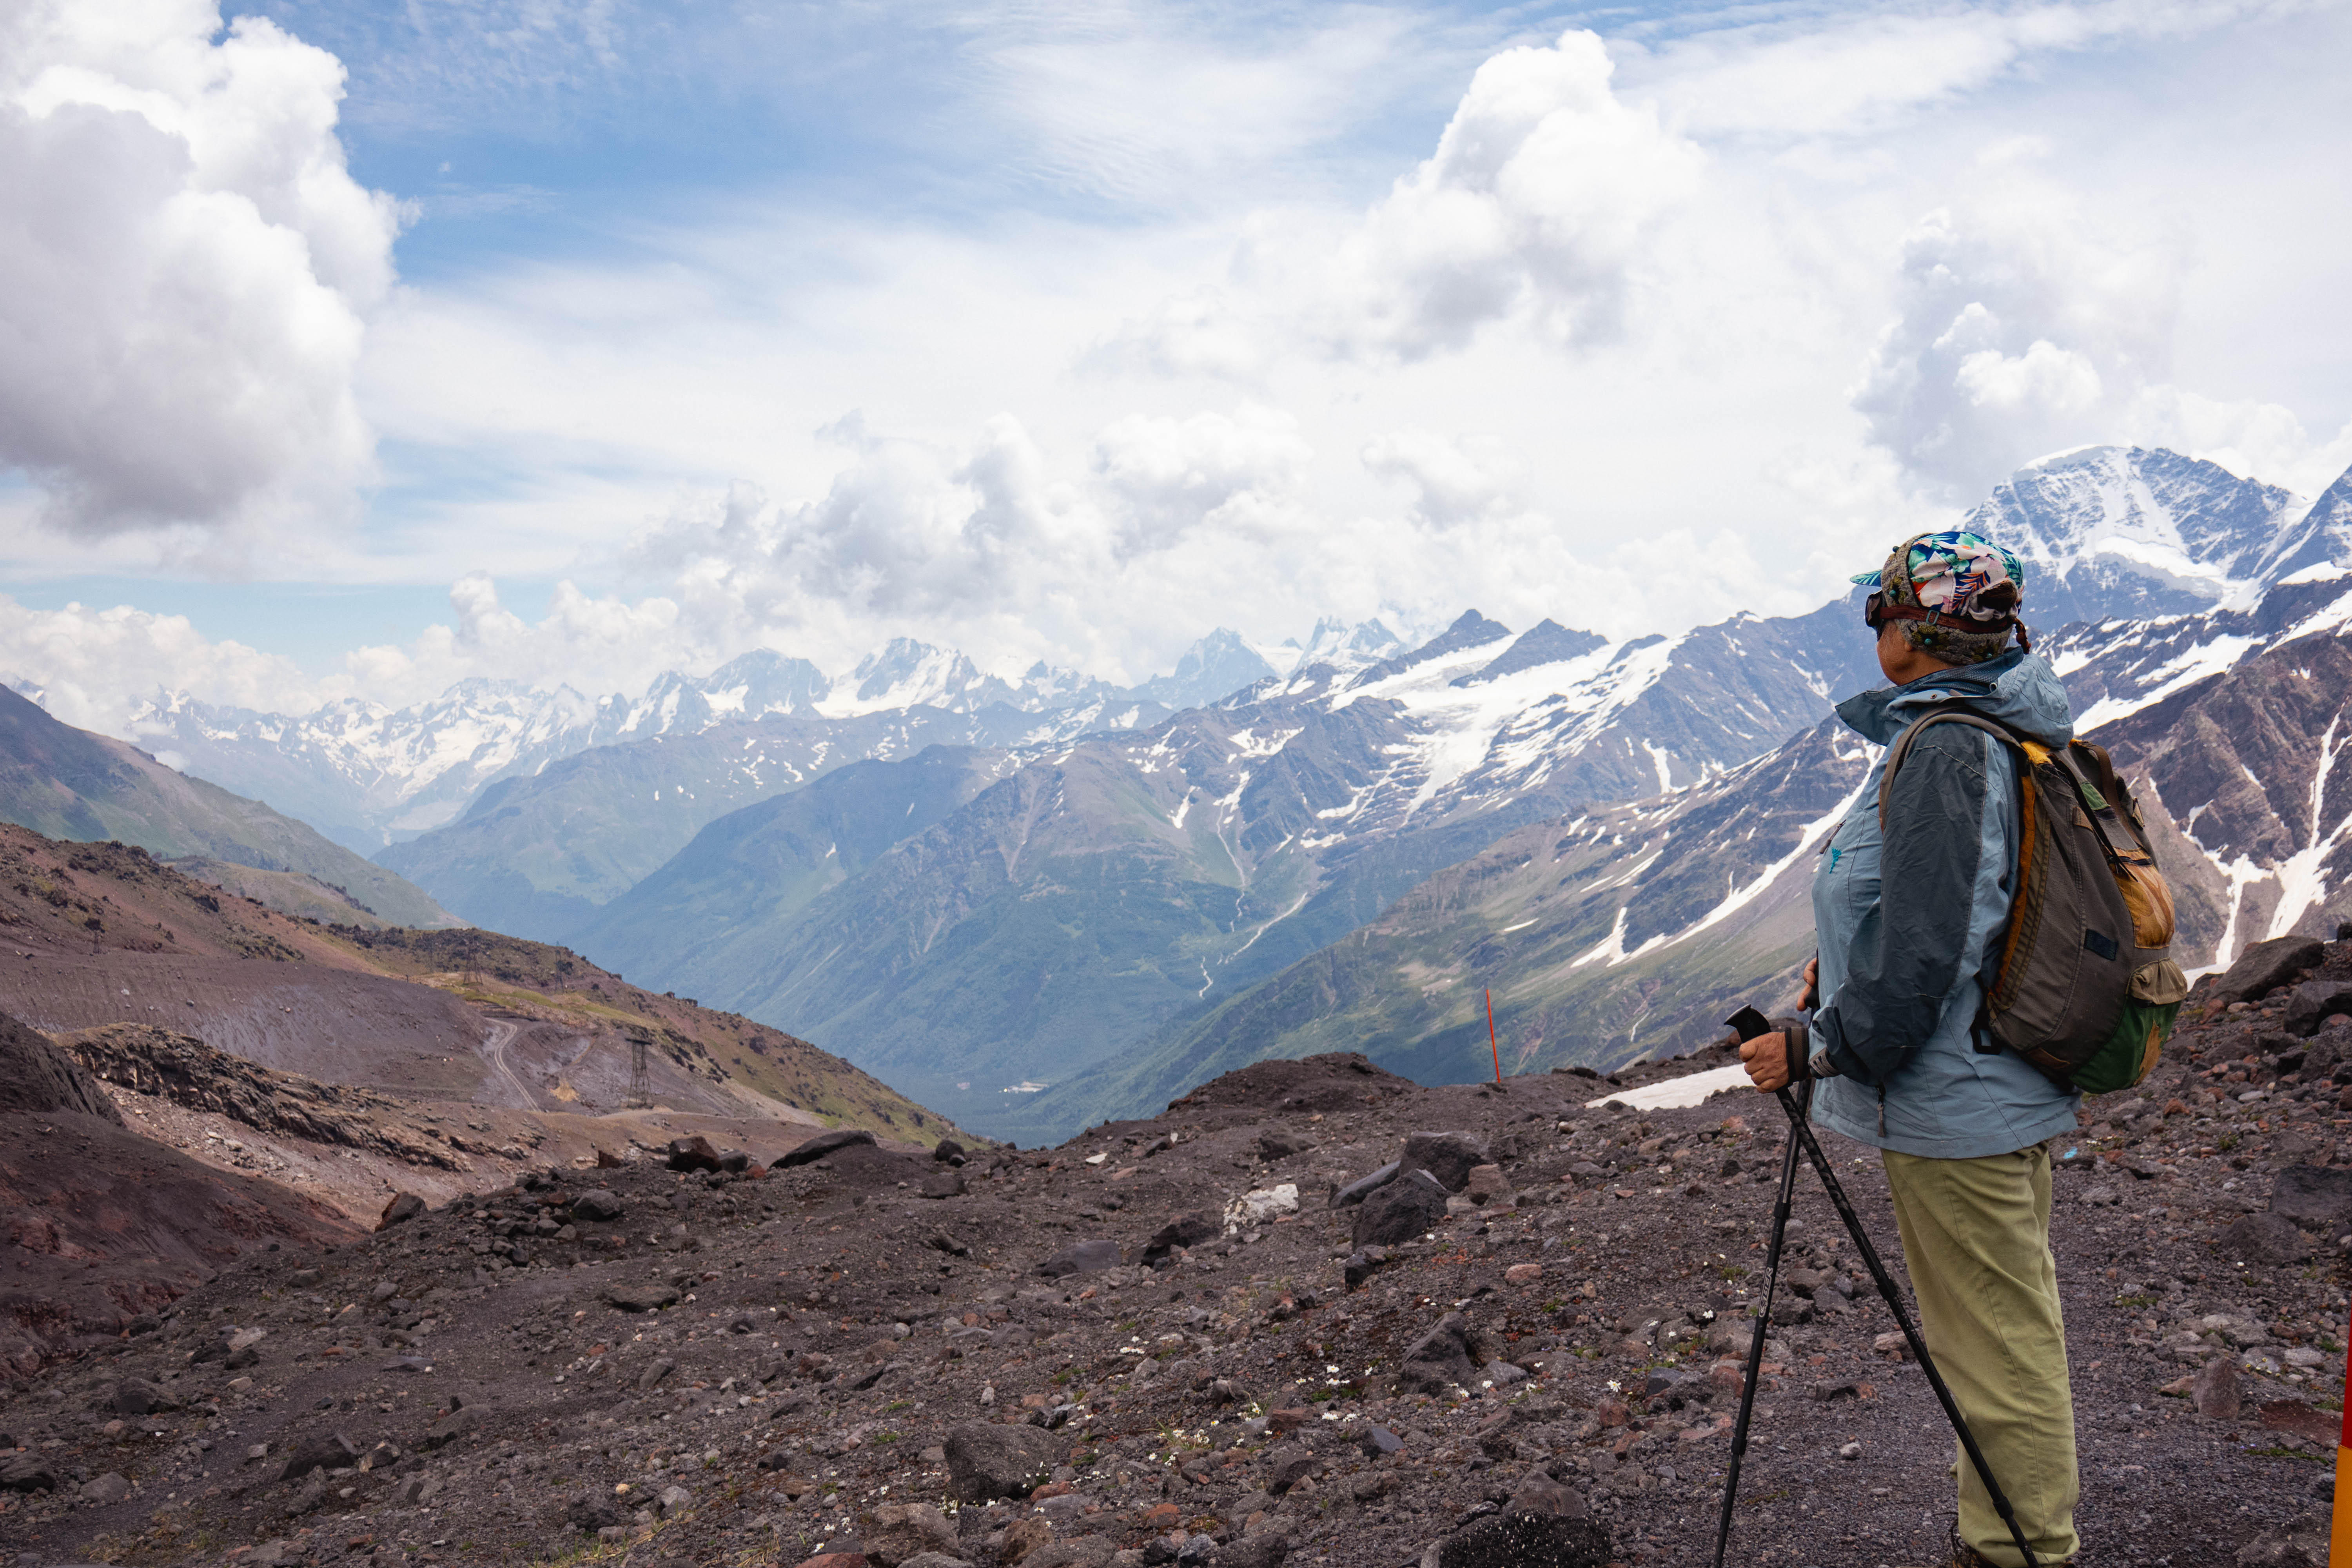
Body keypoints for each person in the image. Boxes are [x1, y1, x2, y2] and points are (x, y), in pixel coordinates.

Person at [1737, 530, 2081, 1568]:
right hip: (1995, 1086)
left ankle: (2023, 1553)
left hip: (1956, 1106)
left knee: (1997, 1350)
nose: (1873, 630)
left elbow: (1931, 953)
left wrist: (1817, 1046)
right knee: (1999, 1332)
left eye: (1881, 612)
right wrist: (1833, 972)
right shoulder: (1986, 730)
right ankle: (2006, 1536)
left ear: (1919, 631)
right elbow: (1945, 914)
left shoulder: (1944, 748)